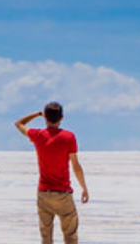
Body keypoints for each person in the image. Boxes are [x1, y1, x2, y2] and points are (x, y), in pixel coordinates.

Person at [15, 102, 89, 244]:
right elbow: (75, 165)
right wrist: (84, 188)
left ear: (45, 118)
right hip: (63, 194)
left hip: (44, 193)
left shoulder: (38, 135)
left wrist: (37, 114)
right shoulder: (68, 137)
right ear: (61, 118)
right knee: (70, 236)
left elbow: (19, 123)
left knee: (46, 237)